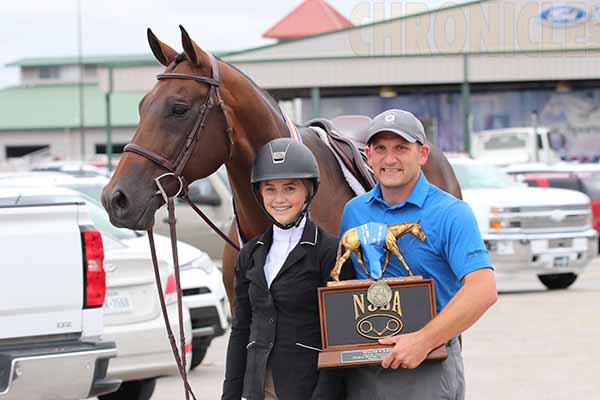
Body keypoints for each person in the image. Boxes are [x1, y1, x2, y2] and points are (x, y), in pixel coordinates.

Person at [338, 109, 497, 400]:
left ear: (422, 154)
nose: (389, 159)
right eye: (380, 149)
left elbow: (483, 289)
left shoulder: (451, 213)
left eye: (401, 148)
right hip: (364, 369)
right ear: (368, 156)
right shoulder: (354, 212)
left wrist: (423, 340)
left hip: (428, 366)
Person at [222, 138, 352, 400]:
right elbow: (241, 328)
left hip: (307, 386)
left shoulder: (329, 252)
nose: (279, 199)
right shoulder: (250, 253)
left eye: (290, 188)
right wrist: (230, 393)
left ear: (308, 191)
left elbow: (340, 339)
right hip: (258, 386)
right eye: (270, 189)